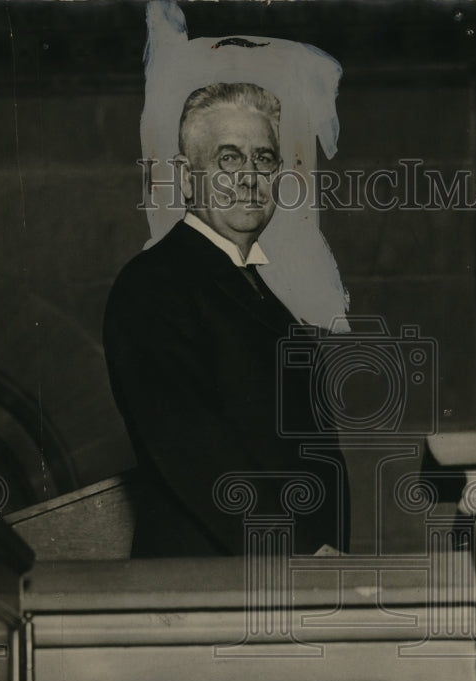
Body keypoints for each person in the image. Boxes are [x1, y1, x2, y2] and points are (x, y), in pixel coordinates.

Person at [103, 82, 349, 558]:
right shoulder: (153, 285)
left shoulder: (258, 292)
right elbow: (195, 451)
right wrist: (300, 552)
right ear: (186, 176)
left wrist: (327, 555)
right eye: (229, 159)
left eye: (264, 159)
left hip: (290, 582)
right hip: (210, 586)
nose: (249, 177)